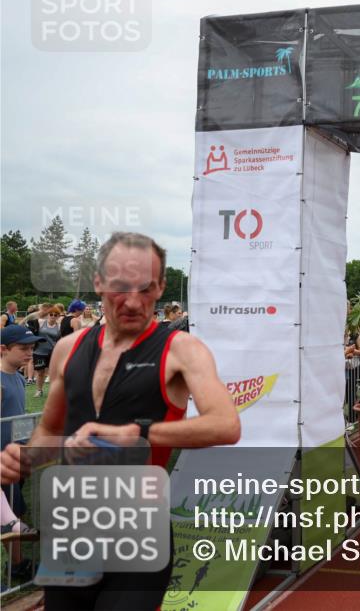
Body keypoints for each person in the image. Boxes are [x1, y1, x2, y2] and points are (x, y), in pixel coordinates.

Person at [0, 231, 241, 611]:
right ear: (98, 283)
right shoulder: (68, 349)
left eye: (145, 288)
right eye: (119, 287)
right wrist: (25, 457)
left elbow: (226, 424)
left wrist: (139, 432)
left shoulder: (182, 350)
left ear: (160, 287)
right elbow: (51, 429)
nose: (132, 300)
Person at [2, 325, 41, 517]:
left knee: (16, 508)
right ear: (3, 349)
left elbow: (19, 414)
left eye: (32, 348)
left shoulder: (19, 377)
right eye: (23, 348)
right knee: (10, 516)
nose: (30, 353)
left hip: (18, 453)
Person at [32, 307, 62, 398]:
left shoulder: (59, 326)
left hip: (53, 352)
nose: (53, 316)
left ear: (58, 316)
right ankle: (39, 390)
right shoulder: (41, 322)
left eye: (55, 315)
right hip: (39, 351)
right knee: (40, 372)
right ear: (48, 315)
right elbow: (31, 318)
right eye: (51, 314)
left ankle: (53, 391)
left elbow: (60, 339)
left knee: (53, 373)